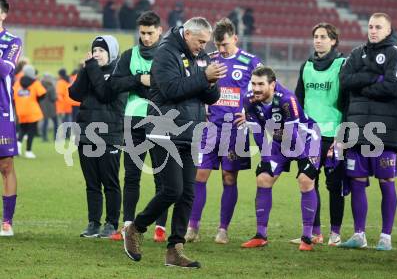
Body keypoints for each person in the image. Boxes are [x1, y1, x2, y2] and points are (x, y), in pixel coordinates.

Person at [122, 17, 225, 268]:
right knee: (172, 190)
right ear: (187, 34)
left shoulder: (200, 55)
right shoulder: (165, 52)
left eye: (205, 43)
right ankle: (136, 227)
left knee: (188, 193)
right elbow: (170, 90)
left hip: (190, 130)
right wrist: (203, 77)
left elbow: (210, 96)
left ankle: (175, 250)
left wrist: (210, 82)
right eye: (200, 41)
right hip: (163, 129)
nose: (203, 46)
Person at [185, 17, 262, 244]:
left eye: (225, 44)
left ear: (235, 39)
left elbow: (265, 88)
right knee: (199, 175)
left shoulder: (250, 62)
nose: (221, 49)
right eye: (217, 45)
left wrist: (249, 113)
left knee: (229, 178)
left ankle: (223, 229)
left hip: (235, 130)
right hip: (210, 127)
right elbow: (198, 86)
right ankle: (192, 227)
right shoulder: (209, 60)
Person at [339, 13, 397, 251]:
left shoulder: (394, 52)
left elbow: (393, 87)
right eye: (370, 26)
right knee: (357, 180)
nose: (373, 30)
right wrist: (372, 79)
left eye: (378, 27)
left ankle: (386, 236)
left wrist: (361, 86)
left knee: (386, 181)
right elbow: (344, 81)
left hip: (383, 130)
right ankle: (359, 235)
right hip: (357, 127)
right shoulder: (357, 53)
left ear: (388, 30)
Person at [238, 66, 321, 251]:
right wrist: (265, 158)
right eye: (253, 83)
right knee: (263, 177)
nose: (256, 88)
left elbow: (293, 133)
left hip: (306, 139)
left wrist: (303, 160)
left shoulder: (286, 99)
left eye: (261, 84)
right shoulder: (249, 100)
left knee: (305, 179)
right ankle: (261, 235)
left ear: (272, 85)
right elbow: (258, 133)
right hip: (279, 141)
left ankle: (307, 238)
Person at [110, 11, 168, 242]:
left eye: (150, 33)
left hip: (160, 121)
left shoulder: (168, 56)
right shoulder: (129, 56)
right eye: (142, 33)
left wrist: (148, 83)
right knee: (132, 176)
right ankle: (127, 225)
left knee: (162, 178)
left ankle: (160, 228)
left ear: (160, 31)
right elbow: (115, 84)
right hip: (133, 121)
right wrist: (138, 80)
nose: (145, 38)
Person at [290, 23, 346, 246]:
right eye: (316, 36)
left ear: (333, 41)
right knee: (308, 183)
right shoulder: (306, 66)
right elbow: (298, 100)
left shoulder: (342, 65)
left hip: (333, 134)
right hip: (309, 136)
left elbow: (347, 101)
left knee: (334, 186)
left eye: (323, 37)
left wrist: (343, 135)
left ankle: (335, 233)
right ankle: (315, 232)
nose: (318, 40)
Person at [69, 35, 127, 238]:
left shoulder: (119, 72)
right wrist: (85, 69)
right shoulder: (90, 69)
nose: (96, 54)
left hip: (110, 135)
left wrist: (90, 67)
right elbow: (74, 94)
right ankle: (93, 223)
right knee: (92, 183)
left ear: (111, 52)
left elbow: (104, 94)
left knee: (110, 182)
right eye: (94, 50)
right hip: (86, 134)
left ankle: (111, 223)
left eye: (101, 51)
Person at [0, 0, 22, 236]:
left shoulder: (12, 41)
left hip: (2, 111)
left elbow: (5, 68)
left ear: (3, 14)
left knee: (5, 166)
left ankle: (7, 221)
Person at [13, 65, 46, 158]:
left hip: (21, 111)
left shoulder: (17, 83)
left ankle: (17, 148)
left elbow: (13, 97)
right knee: (31, 131)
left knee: (22, 130)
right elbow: (43, 94)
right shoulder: (35, 83)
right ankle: (28, 151)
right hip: (33, 111)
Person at [40, 73, 58, 142]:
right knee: (55, 122)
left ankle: (44, 138)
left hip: (43, 107)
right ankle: (55, 137)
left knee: (45, 122)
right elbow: (53, 98)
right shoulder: (51, 86)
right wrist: (56, 97)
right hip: (51, 107)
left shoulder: (40, 86)